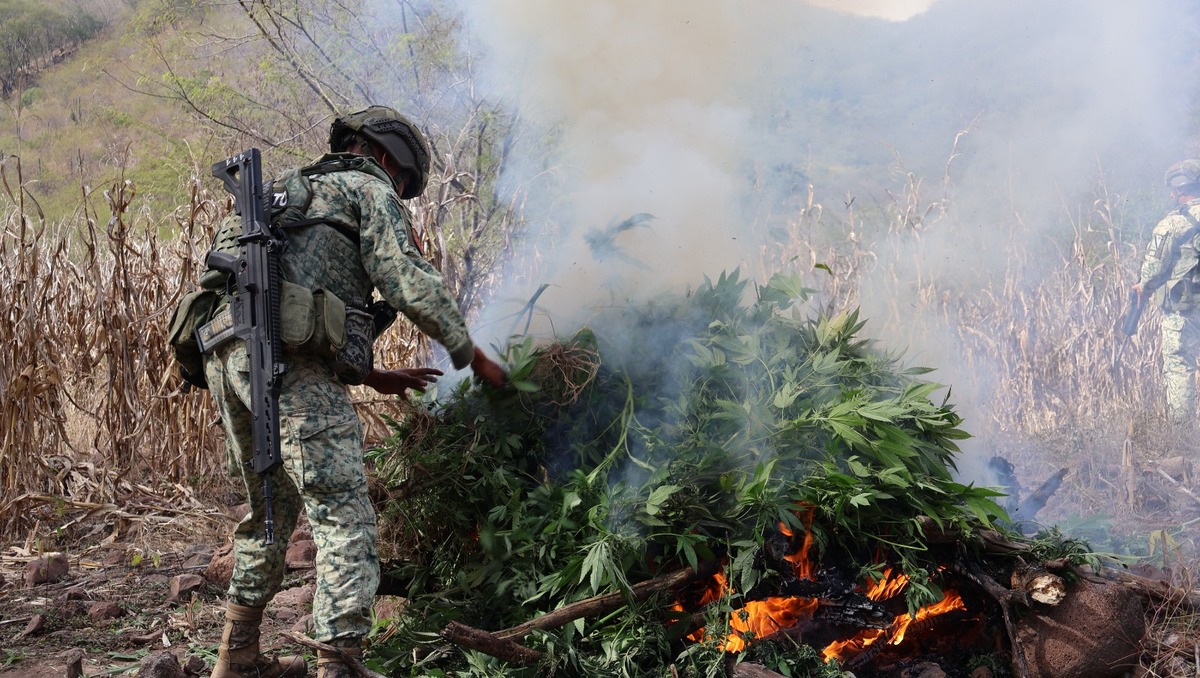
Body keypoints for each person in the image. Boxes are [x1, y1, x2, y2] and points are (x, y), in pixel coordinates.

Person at [202, 106, 507, 678]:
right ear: (387, 158)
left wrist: (371, 376)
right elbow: (406, 279)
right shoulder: (366, 188)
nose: (400, 193)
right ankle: (338, 663)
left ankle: (237, 655)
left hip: (230, 358)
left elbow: (293, 293)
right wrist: (475, 356)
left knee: (270, 510)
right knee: (345, 517)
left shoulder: (285, 193)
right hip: (286, 363)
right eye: (404, 185)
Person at [1133, 159, 1200, 425]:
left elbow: (1153, 269)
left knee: (1179, 365)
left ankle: (1182, 437)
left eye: (1172, 190)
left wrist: (1142, 287)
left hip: (1183, 310)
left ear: (1178, 189)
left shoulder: (1171, 225)